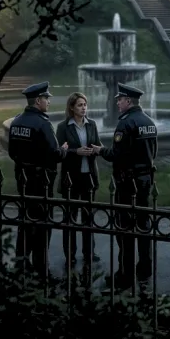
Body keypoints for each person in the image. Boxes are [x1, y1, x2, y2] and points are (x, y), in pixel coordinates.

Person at [90, 83, 159, 289]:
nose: (117, 103)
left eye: (120, 100)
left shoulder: (125, 123)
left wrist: (100, 150)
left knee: (125, 229)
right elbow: (153, 152)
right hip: (145, 181)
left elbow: (117, 155)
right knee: (144, 226)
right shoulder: (149, 122)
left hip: (127, 183)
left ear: (128, 101)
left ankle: (125, 274)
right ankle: (145, 269)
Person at [6, 81, 68, 275]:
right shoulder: (43, 123)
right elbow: (54, 154)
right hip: (41, 181)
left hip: (23, 178)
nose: (49, 101)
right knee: (42, 224)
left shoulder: (17, 121)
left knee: (25, 221)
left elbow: (12, 152)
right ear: (38, 100)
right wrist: (64, 150)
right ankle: (41, 269)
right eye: (46, 98)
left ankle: (21, 264)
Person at [55, 92, 101, 268]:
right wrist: (76, 152)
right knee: (70, 218)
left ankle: (89, 252)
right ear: (72, 107)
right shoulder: (63, 127)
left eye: (85, 105)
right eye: (80, 105)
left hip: (89, 176)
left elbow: (97, 144)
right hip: (71, 179)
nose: (83, 108)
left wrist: (96, 149)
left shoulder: (92, 124)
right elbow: (59, 152)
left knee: (88, 218)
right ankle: (70, 255)